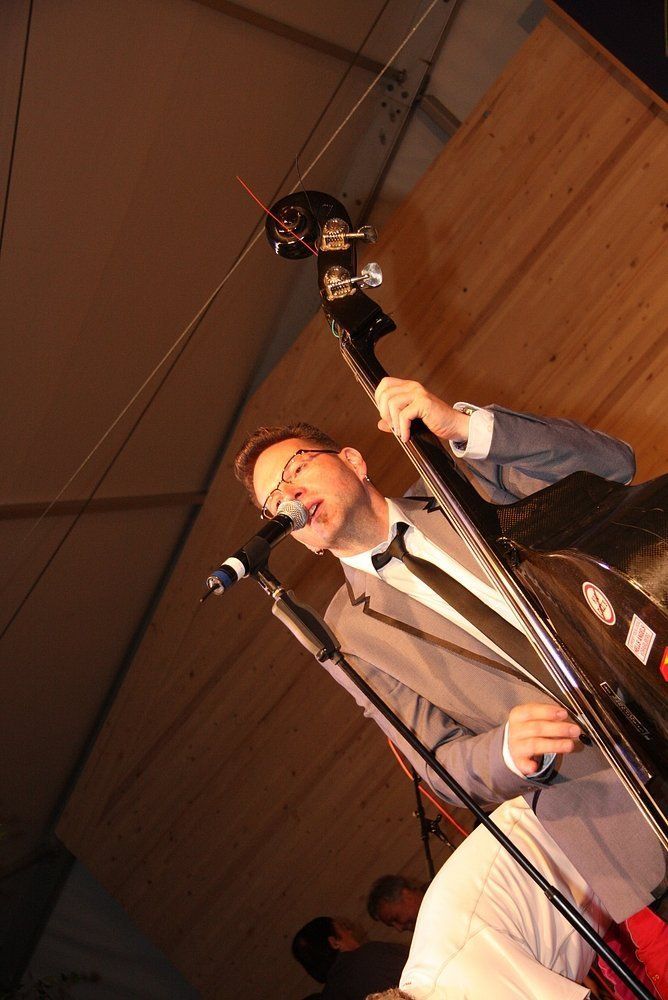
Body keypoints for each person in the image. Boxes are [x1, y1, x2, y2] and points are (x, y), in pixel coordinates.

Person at [234, 377, 666, 925]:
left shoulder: (461, 483)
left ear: (353, 461)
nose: (289, 497)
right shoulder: (347, 637)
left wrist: (464, 427)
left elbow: (612, 465)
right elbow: (438, 761)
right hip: (621, 815)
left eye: (296, 468)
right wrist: (505, 752)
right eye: (273, 501)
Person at [364, 795, 616, 998]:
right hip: (582, 860)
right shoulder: (418, 984)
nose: (398, 928)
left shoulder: (460, 982)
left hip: (581, 831)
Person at [292, 916, 408, 1000]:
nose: (350, 932)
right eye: (344, 928)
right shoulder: (372, 954)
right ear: (334, 942)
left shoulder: (329, 996)